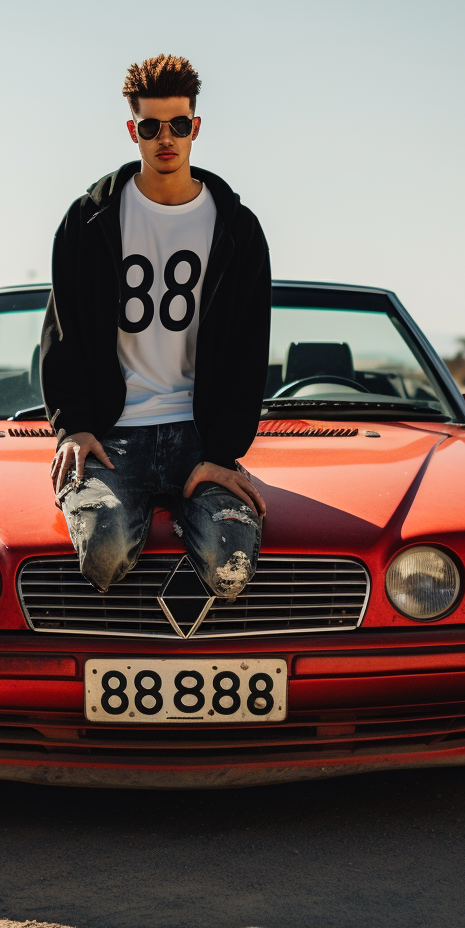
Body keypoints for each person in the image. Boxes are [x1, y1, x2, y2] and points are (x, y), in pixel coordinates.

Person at [40, 54, 271, 600]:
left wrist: (222, 452)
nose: (165, 138)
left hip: (201, 435)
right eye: (150, 127)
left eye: (179, 125)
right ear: (132, 130)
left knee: (230, 567)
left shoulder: (237, 229)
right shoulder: (89, 219)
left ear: (196, 126)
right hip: (112, 435)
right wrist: (71, 424)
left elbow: (248, 347)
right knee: (104, 556)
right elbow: (61, 328)